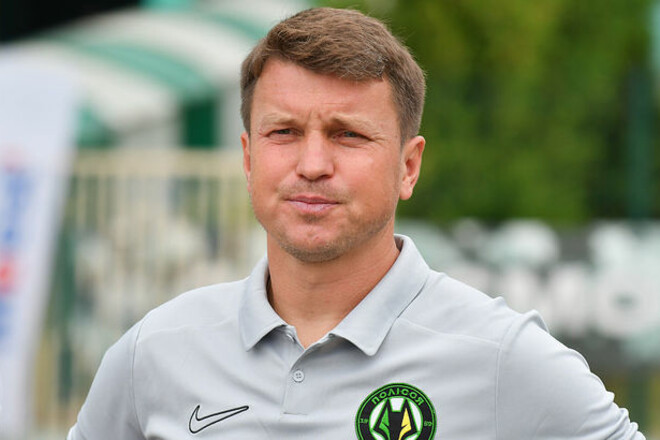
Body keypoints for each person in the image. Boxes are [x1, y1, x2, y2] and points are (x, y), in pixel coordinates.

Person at [68, 7, 645, 440]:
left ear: (408, 166)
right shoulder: (155, 352)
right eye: (284, 132)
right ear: (247, 158)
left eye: (348, 135)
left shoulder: (500, 357)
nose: (312, 164)